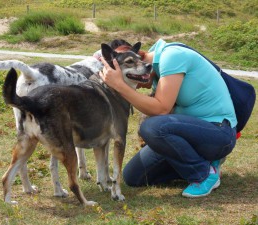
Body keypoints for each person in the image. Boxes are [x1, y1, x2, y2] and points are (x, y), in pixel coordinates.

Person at [99, 38, 237, 197]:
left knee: (152, 127)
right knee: (133, 176)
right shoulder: (158, 68)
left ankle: (203, 173)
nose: (134, 77)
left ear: (139, 59)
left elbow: (161, 109)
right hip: (190, 136)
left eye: (130, 70)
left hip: (218, 132)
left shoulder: (172, 57)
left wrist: (120, 86)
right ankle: (205, 161)